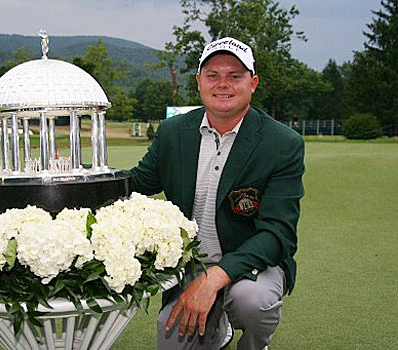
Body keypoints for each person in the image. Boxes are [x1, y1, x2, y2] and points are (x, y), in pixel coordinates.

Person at [128, 37, 305, 350]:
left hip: (252, 264)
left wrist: (216, 277)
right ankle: (215, 329)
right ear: (199, 82)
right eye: (213, 75)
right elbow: (136, 183)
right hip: (192, 266)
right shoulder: (173, 133)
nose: (223, 84)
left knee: (252, 301)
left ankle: (254, 344)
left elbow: (279, 234)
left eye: (235, 76)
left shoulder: (282, 143)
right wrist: (83, 176)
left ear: (253, 83)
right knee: (171, 342)